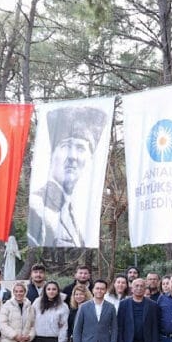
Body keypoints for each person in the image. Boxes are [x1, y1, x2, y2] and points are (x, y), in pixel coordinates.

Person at [28, 105, 109, 247]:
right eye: (65, 146)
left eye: (80, 148)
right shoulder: (38, 205)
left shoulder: (72, 211)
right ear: (52, 154)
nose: (72, 157)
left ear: (90, 158)